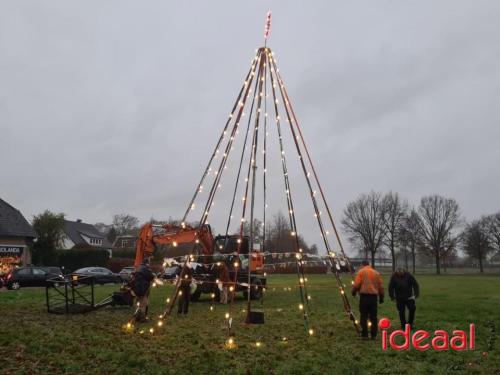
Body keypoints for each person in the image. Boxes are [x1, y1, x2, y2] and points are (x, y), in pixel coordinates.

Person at [351, 260, 384, 339]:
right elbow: (380, 287)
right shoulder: (376, 273)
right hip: (373, 298)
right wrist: (381, 297)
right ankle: (374, 335)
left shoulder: (361, 272)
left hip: (364, 297)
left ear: (362, 265)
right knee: (373, 316)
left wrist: (354, 292)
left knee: (363, 316)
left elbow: (356, 284)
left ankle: (364, 334)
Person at [131, 258, 155, 322]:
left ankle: (137, 317)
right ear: (147, 263)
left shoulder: (139, 268)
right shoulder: (146, 269)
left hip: (136, 288)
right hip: (142, 288)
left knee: (138, 303)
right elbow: (151, 277)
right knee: (143, 303)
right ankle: (141, 318)